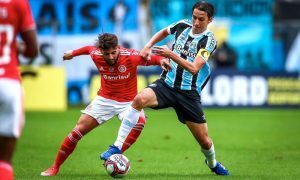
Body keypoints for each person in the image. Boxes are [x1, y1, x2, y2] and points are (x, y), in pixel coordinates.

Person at [100, 1, 230, 176]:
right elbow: (164, 32)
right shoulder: (182, 25)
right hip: (166, 85)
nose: (196, 23)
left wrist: (170, 54)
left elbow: (193, 68)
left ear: (210, 20)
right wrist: (147, 46)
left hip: (188, 94)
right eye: (194, 17)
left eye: (201, 19)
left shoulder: (209, 41)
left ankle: (213, 163)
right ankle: (116, 146)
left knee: (205, 142)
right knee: (139, 100)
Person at [40, 33, 169, 176]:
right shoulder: (96, 54)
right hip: (104, 101)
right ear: (101, 51)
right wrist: (73, 53)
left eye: (114, 52)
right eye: (107, 54)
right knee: (76, 133)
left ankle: (115, 152)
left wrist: (162, 61)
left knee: (140, 121)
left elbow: (155, 59)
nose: (111, 56)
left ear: (118, 48)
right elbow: (88, 49)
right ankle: (55, 167)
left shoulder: (131, 56)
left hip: (128, 103)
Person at [0, 0, 38, 179]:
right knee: (4, 160)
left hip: (10, 82)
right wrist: (18, 47)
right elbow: (32, 50)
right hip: (8, 82)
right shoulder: (18, 3)